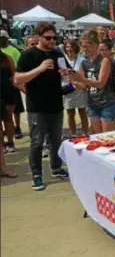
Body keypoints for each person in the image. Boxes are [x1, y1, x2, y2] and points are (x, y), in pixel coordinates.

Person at [14, 22, 69, 191]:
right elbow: (17, 79)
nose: (52, 40)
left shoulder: (57, 52)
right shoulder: (28, 55)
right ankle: (36, 175)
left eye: (54, 37)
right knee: (37, 142)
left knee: (56, 140)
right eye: (48, 38)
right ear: (39, 37)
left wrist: (65, 73)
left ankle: (56, 167)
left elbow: (67, 70)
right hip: (36, 107)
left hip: (56, 104)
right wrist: (40, 68)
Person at [69, 29, 115, 134]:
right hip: (92, 104)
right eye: (83, 46)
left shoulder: (104, 61)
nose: (84, 49)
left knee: (108, 137)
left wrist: (81, 79)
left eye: (86, 46)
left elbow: (100, 84)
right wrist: (72, 79)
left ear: (95, 45)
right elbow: (84, 86)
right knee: (98, 136)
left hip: (107, 103)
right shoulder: (84, 63)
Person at [62, 40, 89, 137]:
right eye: (67, 47)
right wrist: (62, 73)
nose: (69, 49)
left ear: (75, 48)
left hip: (79, 88)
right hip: (67, 88)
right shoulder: (62, 60)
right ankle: (73, 134)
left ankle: (85, 133)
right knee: (70, 113)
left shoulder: (81, 60)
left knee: (82, 112)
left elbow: (84, 75)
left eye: (71, 47)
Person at [99, 39, 115, 120]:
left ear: (109, 51)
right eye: (100, 50)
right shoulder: (97, 62)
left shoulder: (113, 64)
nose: (102, 52)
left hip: (110, 96)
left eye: (104, 50)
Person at [0, 52, 18, 153]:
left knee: (8, 118)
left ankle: (10, 142)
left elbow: (14, 74)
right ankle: (2, 144)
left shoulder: (7, 58)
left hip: (8, 92)